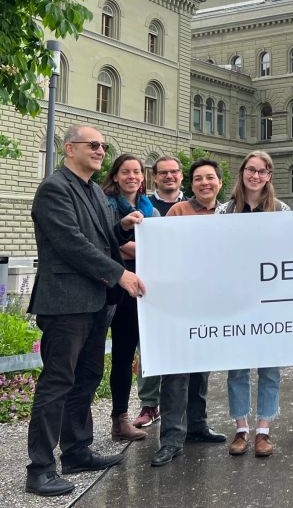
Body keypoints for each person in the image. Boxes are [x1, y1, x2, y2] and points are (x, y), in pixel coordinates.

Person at [26, 125, 146, 497]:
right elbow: (71, 243)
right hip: (65, 303)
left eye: (103, 146)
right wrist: (120, 274)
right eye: (93, 145)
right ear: (69, 148)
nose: (100, 150)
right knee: (57, 382)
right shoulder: (54, 188)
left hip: (95, 301)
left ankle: (76, 451)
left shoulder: (94, 189)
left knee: (88, 377)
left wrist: (122, 226)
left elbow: (101, 236)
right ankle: (40, 468)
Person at [151, 159, 228, 466]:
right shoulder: (178, 211)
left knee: (201, 368)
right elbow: (162, 251)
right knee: (176, 370)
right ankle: (171, 438)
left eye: (210, 177)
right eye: (198, 178)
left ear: (220, 183)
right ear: (191, 184)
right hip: (181, 302)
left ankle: (197, 426)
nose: (205, 183)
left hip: (213, 302)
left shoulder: (229, 214)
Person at [217, 151, 290, 457]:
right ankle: (241, 428)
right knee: (238, 368)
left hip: (270, 300)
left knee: (270, 368)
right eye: (250, 170)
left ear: (269, 176)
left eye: (262, 171)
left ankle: (263, 431)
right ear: (242, 172)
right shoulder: (225, 211)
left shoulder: (282, 210)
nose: (255, 176)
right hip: (236, 299)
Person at [101, 155, 159, 442]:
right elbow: (105, 245)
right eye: (126, 171)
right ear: (115, 175)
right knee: (121, 356)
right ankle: (119, 419)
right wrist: (125, 244)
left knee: (141, 353)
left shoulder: (149, 208)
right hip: (116, 289)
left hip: (146, 289)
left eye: (137, 171)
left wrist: (127, 247)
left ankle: (137, 412)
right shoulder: (105, 204)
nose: (132, 176)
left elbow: (160, 246)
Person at [134, 155, 185, 429]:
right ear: (154, 177)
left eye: (173, 172)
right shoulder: (145, 205)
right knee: (150, 348)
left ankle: (184, 411)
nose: (169, 176)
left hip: (185, 287)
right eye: (163, 173)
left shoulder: (191, 204)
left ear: (181, 176)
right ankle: (149, 404)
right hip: (151, 289)